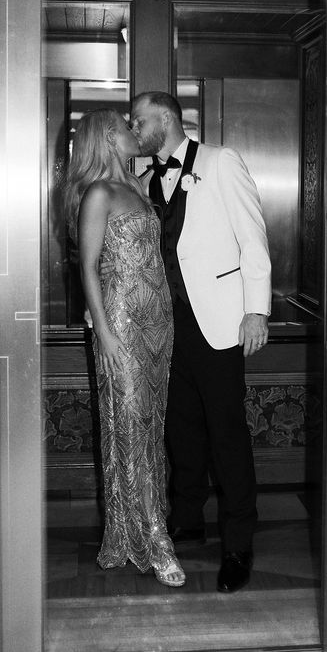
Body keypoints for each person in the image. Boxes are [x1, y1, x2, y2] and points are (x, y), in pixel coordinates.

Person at [130, 91, 271, 594]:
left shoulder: (220, 161)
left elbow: (253, 238)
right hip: (166, 328)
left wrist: (256, 309)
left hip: (219, 322)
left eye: (139, 119)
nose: (134, 127)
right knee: (181, 430)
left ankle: (238, 542)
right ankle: (188, 518)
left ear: (165, 119)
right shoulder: (144, 179)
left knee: (227, 434)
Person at [64, 109, 185, 588]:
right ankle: (156, 541)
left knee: (150, 428)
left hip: (159, 322)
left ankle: (121, 534)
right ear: (109, 139)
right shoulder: (98, 194)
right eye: (127, 127)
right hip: (123, 324)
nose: (136, 134)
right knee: (130, 426)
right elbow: (88, 267)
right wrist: (104, 332)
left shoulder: (135, 188)